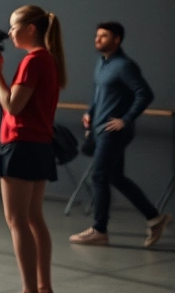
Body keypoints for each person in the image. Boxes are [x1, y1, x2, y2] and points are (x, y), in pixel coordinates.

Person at [0, 5, 65, 293]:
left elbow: (12, 106)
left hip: (20, 145)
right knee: (33, 219)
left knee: (17, 221)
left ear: (30, 29)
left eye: (14, 27)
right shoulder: (48, 59)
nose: (9, 32)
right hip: (39, 146)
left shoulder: (33, 60)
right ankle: (44, 291)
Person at [70, 22, 171, 247]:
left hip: (112, 132)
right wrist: (90, 112)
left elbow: (145, 93)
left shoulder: (125, 66)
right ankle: (155, 218)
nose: (97, 39)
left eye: (103, 36)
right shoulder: (102, 63)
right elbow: (98, 92)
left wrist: (125, 119)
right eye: (97, 35)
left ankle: (99, 229)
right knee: (115, 177)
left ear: (117, 40)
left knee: (99, 176)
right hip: (99, 129)